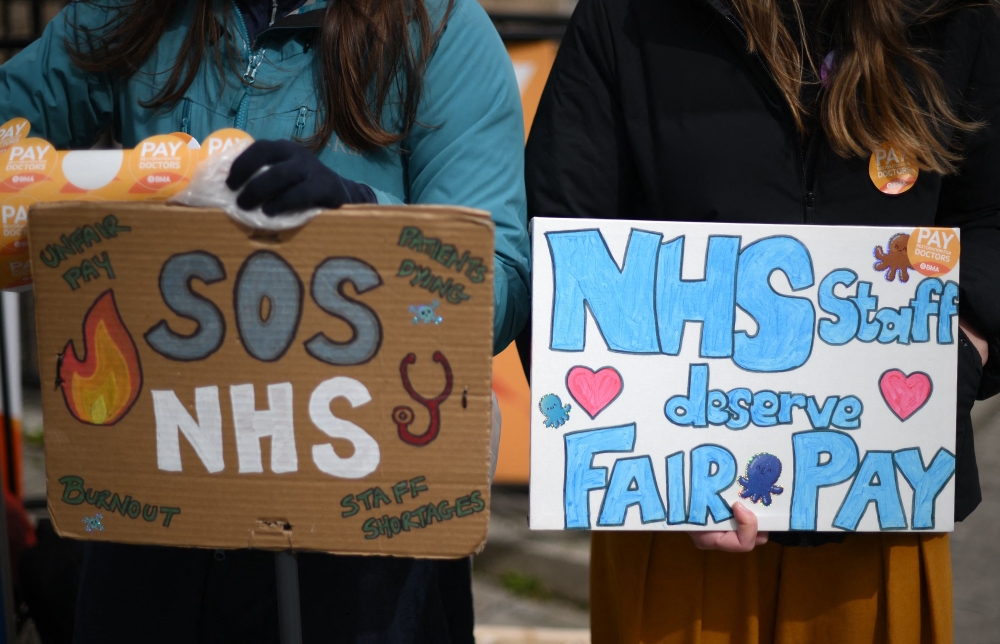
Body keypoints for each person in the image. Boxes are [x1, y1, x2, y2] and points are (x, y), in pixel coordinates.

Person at [1, 0, 530, 641]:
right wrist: (113, 186)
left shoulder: (441, 27)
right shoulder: (135, 11)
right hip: (159, 501)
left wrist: (359, 215)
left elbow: (495, 284)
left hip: (363, 527)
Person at [525, 0, 999, 641]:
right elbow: (561, 236)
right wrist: (651, 460)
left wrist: (964, 352)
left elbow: (992, 222)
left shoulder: (958, 18)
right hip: (677, 519)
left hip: (881, 506)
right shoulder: (627, 16)